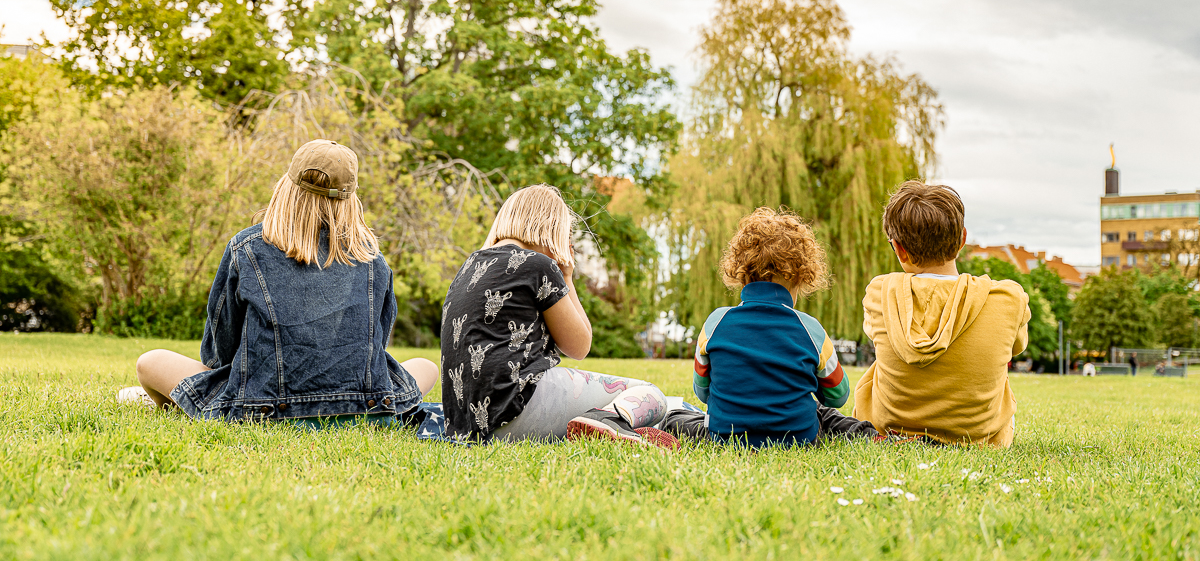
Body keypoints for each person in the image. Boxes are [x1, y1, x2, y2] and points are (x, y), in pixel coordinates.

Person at [119, 139, 438, 427]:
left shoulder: (247, 247)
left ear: (287, 188)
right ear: (351, 201)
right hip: (365, 409)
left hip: (266, 409)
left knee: (150, 362)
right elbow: (375, 346)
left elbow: (223, 345)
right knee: (426, 366)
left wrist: (218, 379)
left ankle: (177, 405)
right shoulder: (373, 260)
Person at [439, 184, 676, 447]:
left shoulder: (469, 266)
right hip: (516, 414)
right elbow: (579, 346)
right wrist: (566, 277)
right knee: (650, 395)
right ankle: (607, 421)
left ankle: (606, 421)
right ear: (551, 228)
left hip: (466, 426)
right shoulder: (538, 265)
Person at [660, 207, 879, 447]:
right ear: (799, 277)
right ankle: (868, 434)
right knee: (825, 414)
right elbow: (838, 396)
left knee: (675, 418)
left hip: (724, 436)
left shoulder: (715, 322)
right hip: (799, 438)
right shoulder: (810, 329)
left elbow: (702, 393)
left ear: (741, 273)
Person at [853, 181, 1031, 447]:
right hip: (976, 436)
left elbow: (875, 335)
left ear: (899, 248)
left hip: (891, 429)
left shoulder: (880, 293)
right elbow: (1017, 347)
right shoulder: (1008, 299)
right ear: (962, 239)